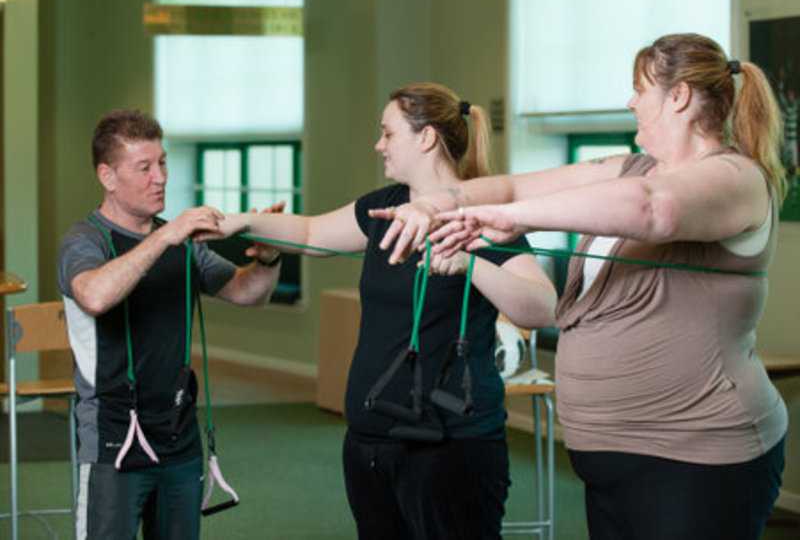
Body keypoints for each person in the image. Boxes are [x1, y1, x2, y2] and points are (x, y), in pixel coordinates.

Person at [374, 34, 789, 540]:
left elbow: (652, 209)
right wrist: (435, 204)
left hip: (698, 459)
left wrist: (508, 219)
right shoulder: (627, 167)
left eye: (639, 89)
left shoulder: (737, 177)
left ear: (678, 97)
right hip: (608, 460)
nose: (630, 102)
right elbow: (512, 186)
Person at [202, 83, 557, 539]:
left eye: (388, 134)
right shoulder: (386, 206)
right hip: (371, 443)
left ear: (425, 138)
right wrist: (238, 222)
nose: (379, 144)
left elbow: (543, 307)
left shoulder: (477, 216)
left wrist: (469, 265)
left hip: (448, 448)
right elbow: (309, 233)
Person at [57, 109, 282, 540]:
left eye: (161, 162)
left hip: (178, 437)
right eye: (143, 168)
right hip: (112, 440)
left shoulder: (183, 245)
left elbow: (246, 292)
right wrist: (163, 235)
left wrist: (268, 258)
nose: (158, 177)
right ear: (107, 176)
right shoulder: (84, 241)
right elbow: (95, 295)